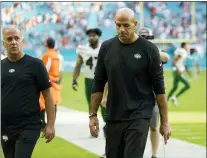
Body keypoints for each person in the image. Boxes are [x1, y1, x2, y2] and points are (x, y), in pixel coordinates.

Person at [89, 8, 171, 158]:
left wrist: (164, 122)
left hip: (139, 114)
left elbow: (160, 89)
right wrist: (93, 114)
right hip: (114, 114)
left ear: (135, 24)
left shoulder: (149, 50)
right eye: (118, 25)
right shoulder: (107, 47)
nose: (122, 30)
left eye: (126, 25)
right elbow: (99, 82)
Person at [1, 25, 56, 158]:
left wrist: (50, 124)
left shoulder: (36, 65)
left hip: (29, 125)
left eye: (16, 38)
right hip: (5, 125)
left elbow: (48, 96)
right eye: (9, 39)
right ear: (4, 43)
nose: (13, 42)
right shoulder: (1, 66)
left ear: (22, 41)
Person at [39, 37, 63, 124]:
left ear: (46, 44)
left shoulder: (46, 55)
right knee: (54, 103)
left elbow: (44, 70)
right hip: (56, 82)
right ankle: (52, 122)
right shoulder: (58, 56)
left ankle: (42, 123)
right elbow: (60, 71)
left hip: (48, 82)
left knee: (42, 102)